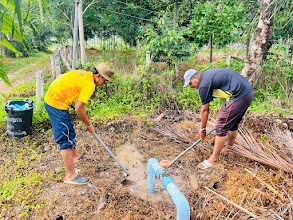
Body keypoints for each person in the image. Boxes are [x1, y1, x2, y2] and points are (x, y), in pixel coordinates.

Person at [44, 63, 114, 184]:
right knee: (65, 138)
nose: (104, 84)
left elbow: (60, 77)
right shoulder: (90, 85)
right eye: (105, 81)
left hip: (56, 98)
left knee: (69, 130)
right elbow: (79, 110)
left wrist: (69, 98)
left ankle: (75, 156)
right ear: (99, 76)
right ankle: (70, 176)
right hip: (55, 103)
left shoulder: (84, 73)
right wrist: (89, 125)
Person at [183, 68, 254, 169]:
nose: (191, 86)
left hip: (239, 95)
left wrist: (203, 129)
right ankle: (229, 148)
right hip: (248, 92)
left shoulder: (203, 84)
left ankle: (213, 159)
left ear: (195, 77)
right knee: (233, 123)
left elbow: (205, 110)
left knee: (221, 127)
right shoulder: (208, 76)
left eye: (190, 83)